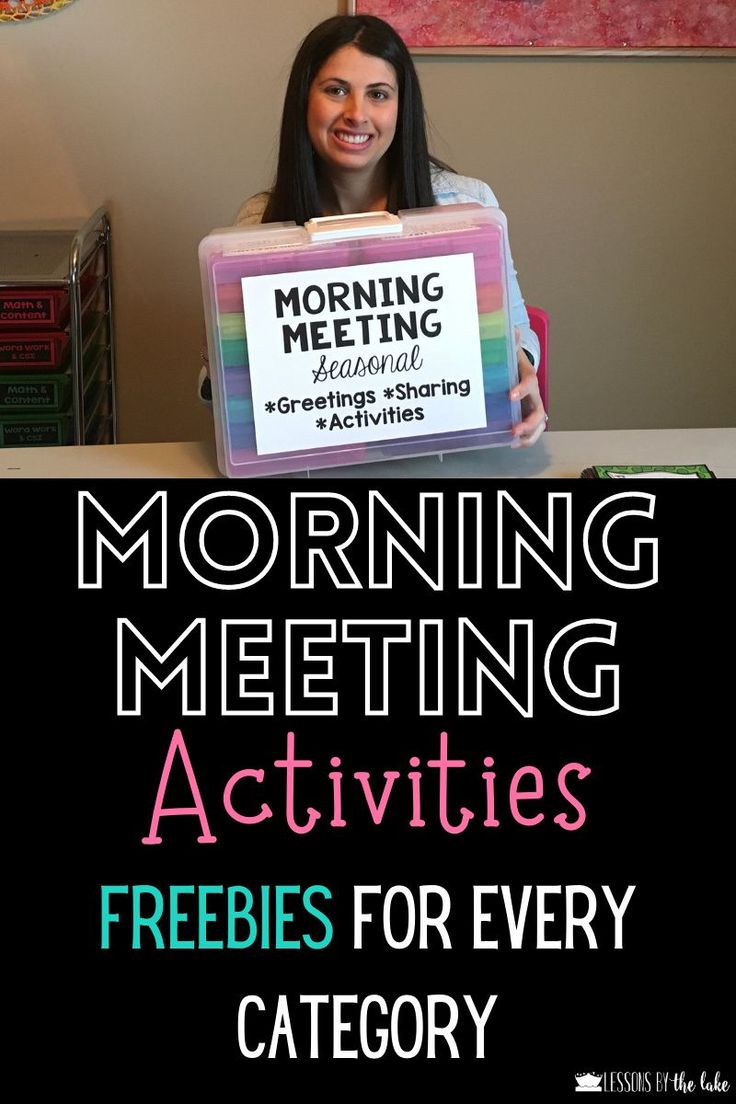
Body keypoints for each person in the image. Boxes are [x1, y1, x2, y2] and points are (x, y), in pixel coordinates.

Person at [200, 13, 546, 447]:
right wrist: (226, 359)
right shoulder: (258, 222)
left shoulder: (467, 206)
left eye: (378, 94)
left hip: (443, 455)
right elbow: (224, 392)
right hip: (316, 462)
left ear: (402, 108)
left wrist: (518, 370)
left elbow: (518, 332)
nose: (356, 114)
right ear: (304, 101)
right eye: (336, 90)